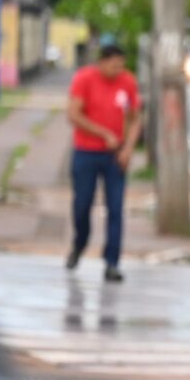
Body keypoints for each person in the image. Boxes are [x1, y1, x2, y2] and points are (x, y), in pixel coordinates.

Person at [65, 44, 143, 282]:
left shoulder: (127, 82)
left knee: (116, 208)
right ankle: (80, 242)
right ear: (102, 62)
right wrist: (103, 134)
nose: (118, 70)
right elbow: (73, 115)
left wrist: (128, 148)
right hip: (86, 153)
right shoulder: (84, 79)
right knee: (82, 205)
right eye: (114, 65)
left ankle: (112, 262)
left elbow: (136, 117)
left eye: (122, 65)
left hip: (114, 156)